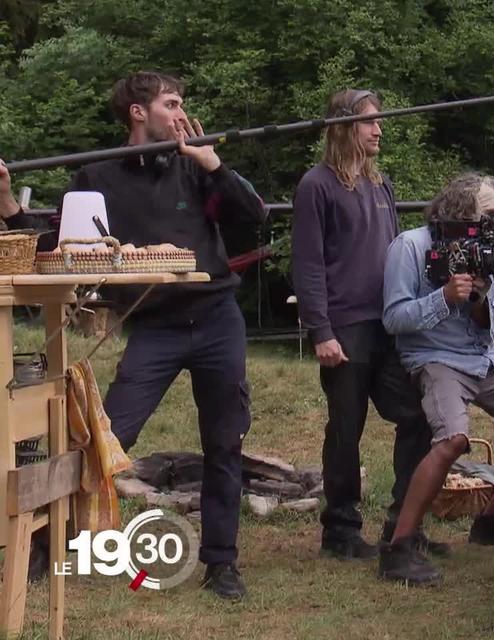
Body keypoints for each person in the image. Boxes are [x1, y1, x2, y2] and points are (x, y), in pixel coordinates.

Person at [0, 71, 267, 600]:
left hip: (215, 316)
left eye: (181, 102)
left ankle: (221, 563)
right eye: (171, 103)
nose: (181, 111)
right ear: (138, 113)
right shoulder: (98, 176)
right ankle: (45, 546)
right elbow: (57, 242)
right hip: (154, 325)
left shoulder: (197, 170)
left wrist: (213, 162)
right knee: (111, 435)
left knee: (224, 438)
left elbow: (253, 217)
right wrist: (8, 203)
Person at [290, 89, 447, 564]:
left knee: (417, 417)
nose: (379, 129)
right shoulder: (316, 186)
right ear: (343, 127)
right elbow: (308, 264)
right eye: (370, 122)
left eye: (380, 122)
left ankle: (403, 524)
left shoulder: (381, 185)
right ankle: (340, 529)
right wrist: (320, 331)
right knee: (346, 429)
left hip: (388, 323)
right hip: (344, 327)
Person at [380, 172, 494, 585]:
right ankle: (398, 548)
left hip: (484, 361)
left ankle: (492, 518)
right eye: (490, 213)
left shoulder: (490, 249)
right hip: (436, 358)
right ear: (462, 213)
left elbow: (491, 324)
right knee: (453, 439)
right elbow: (394, 318)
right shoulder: (411, 246)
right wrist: (445, 296)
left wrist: (479, 298)